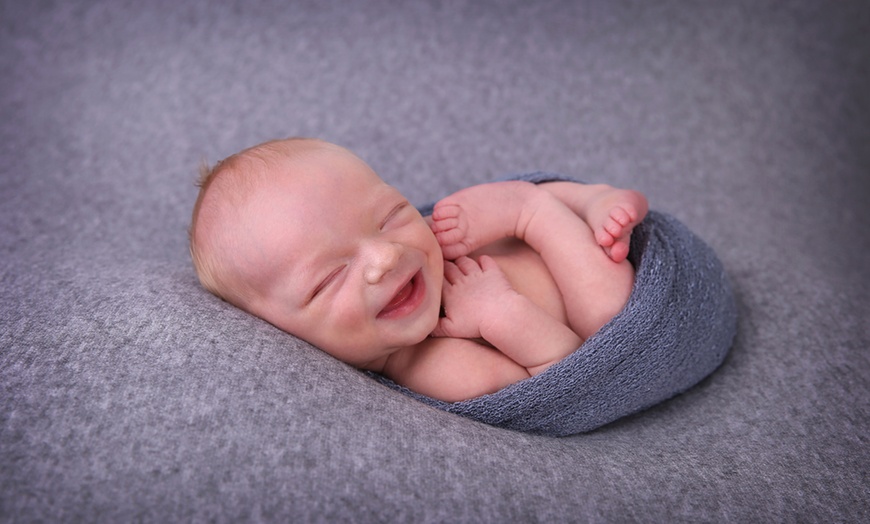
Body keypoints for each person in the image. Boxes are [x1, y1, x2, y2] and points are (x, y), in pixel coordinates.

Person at [189, 138, 648, 402]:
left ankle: (584, 198)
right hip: (608, 289)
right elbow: (569, 378)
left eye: (390, 215)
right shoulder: (430, 365)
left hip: (584, 242)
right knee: (608, 314)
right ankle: (537, 210)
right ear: (281, 332)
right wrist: (499, 313)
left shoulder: (419, 248)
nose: (385, 257)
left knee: (461, 215)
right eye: (330, 278)